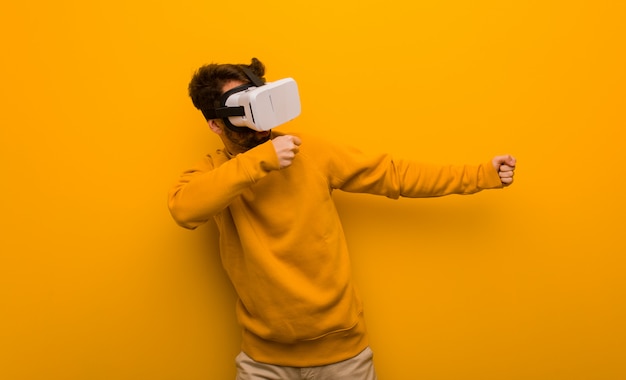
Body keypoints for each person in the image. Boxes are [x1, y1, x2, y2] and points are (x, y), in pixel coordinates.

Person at [168, 58, 516, 380]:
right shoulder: (215, 172)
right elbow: (184, 210)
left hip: (343, 355)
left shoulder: (309, 151)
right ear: (215, 123)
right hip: (264, 360)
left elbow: (393, 174)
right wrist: (259, 161)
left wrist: (481, 175)